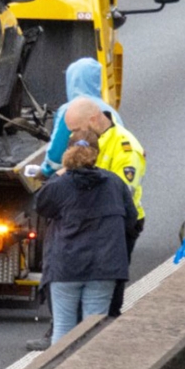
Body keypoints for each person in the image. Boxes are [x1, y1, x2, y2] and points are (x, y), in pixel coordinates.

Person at [26, 58, 127, 351]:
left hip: (68, 262)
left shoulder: (68, 112)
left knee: (63, 329)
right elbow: (129, 215)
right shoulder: (112, 116)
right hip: (106, 257)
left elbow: (55, 155)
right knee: (94, 328)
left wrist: (48, 172)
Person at [34, 130, 137, 345]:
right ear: (97, 153)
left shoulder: (59, 185)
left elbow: (41, 206)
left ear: (68, 152)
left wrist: (58, 175)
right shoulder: (114, 183)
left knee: (62, 328)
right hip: (104, 266)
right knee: (93, 331)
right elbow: (131, 220)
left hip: (66, 266)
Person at [64, 97, 146, 318]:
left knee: (111, 282)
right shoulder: (85, 139)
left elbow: (122, 192)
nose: (72, 135)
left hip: (118, 220)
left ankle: (108, 326)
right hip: (92, 218)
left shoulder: (124, 146)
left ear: (93, 119)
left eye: (76, 128)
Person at [40, 57, 123, 178]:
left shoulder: (69, 111)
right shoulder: (111, 112)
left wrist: (44, 172)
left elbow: (56, 155)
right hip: (110, 180)